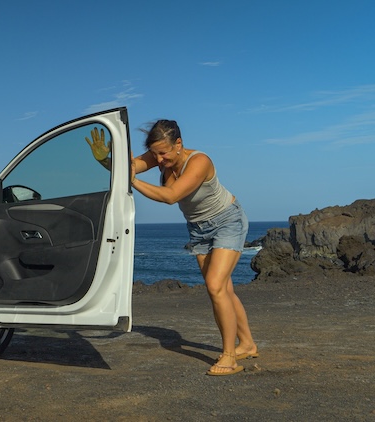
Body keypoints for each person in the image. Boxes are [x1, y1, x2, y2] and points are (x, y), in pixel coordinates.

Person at [86, 119, 258, 376]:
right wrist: (106, 161)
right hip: (199, 230)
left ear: (178, 144)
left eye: (164, 153)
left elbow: (170, 196)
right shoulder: (160, 155)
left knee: (215, 285)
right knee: (223, 289)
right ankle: (247, 343)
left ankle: (230, 356)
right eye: (155, 154)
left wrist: (132, 181)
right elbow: (127, 168)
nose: (159, 160)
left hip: (227, 221)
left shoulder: (200, 162)